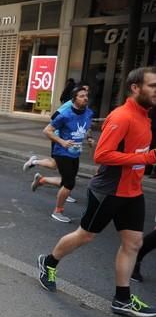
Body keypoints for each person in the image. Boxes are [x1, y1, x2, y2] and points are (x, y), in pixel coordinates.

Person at [37, 66, 156, 317]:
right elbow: (102, 155)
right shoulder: (122, 116)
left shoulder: (145, 116)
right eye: (153, 86)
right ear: (136, 88)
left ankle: (122, 299)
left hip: (133, 191)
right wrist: (146, 158)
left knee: (133, 243)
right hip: (109, 191)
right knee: (85, 236)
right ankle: (49, 262)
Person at [25, 86, 94, 223]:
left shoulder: (88, 113)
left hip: (75, 153)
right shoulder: (65, 114)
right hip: (62, 152)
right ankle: (58, 211)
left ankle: (42, 180)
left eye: (86, 95)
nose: (85, 98)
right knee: (69, 183)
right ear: (74, 99)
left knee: (66, 181)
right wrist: (62, 142)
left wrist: (89, 138)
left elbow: (88, 127)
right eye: (81, 96)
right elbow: (47, 131)